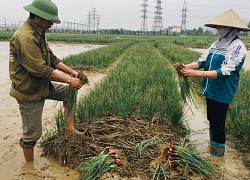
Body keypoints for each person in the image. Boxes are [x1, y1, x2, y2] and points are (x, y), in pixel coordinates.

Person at [9, 0, 86, 161]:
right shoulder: (25, 37)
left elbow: (52, 59)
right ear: (38, 17)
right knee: (33, 134)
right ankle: (29, 168)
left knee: (69, 93)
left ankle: (69, 128)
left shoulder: (38, 32)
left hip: (42, 85)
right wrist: (69, 80)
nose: (51, 24)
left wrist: (73, 73)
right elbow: (40, 70)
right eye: (50, 20)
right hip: (29, 90)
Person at [179, 9, 250, 157]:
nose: (218, 29)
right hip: (210, 89)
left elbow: (225, 71)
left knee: (218, 124)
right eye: (217, 26)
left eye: (221, 26)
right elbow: (203, 60)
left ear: (231, 28)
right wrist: (186, 67)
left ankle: (217, 158)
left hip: (222, 91)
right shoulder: (218, 43)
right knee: (211, 119)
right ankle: (213, 148)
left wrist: (196, 74)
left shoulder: (237, 47)